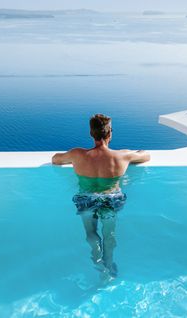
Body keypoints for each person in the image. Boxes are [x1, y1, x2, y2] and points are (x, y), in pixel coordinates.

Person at [52, 114, 150, 278]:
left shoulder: (78, 154)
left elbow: (55, 159)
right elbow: (146, 155)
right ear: (110, 133)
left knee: (91, 233)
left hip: (86, 199)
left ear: (91, 133)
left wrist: (75, 157)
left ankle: (99, 264)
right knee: (109, 235)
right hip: (111, 199)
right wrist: (137, 152)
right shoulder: (122, 156)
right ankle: (109, 264)